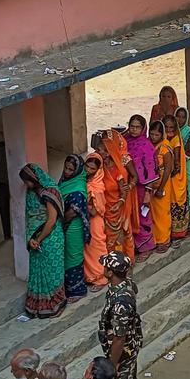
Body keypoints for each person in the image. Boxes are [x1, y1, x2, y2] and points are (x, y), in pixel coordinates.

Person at [98, 250, 143, 379]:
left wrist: (112, 363)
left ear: (110, 272)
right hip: (130, 348)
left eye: (106, 266)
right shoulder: (127, 285)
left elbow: (119, 338)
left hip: (123, 353)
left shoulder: (120, 302)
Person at [20, 163, 66, 318]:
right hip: (36, 237)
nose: (26, 185)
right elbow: (30, 217)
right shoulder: (31, 192)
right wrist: (31, 238)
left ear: (34, 178)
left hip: (51, 237)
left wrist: (38, 239)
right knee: (37, 270)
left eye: (27, 181)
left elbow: (51, 221)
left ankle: (53, 303)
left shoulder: (50, 192)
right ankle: (37, 305)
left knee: (51, 272)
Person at [94, 129, 137, 260]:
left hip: (118, 207)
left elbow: (133, 178)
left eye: (101, 149)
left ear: (108, 152)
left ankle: (124, 262)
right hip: (106, 206)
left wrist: (123, 196)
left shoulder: (121, 162)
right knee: (108, 238)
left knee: (121, 235)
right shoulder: (99, 165)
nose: (97, 151)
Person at [124, 114, 159, 257]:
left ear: (143, 128)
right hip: (128, 186)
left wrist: (148, 192)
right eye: (132, 126)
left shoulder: (147, 146)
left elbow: (152, 170)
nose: (134, 130)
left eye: (138, 127)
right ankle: (132, 245)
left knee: (142, 215)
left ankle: (146, 246)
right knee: (130, 215)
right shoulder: (125, 141)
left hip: (142, 188)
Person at [59, 154, 91, 302]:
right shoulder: (66, 181)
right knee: (66, 255)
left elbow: (71, 212)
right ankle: (67, 288)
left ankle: (77, 290)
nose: (66, 171)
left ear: (77, 171)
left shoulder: (78, 187)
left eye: (70, 169)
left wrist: (59, 222)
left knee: (73, 255)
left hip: (73, 227)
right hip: (65, 224)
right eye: (66, 168)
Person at [161, 114, 190, 241]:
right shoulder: (164, 141)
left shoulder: (175, 141)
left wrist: (166, 171)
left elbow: (177, 164)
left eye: (172, 128)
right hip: (170, 177)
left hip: (174, 178)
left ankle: (176, 232)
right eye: (166, 128)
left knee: (174, 203)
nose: (169, 131)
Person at [83, 152, 110, 290]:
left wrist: (80, 206)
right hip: (86, 221)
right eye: (87, 166)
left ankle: (101, 278)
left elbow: (94, 211)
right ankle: (90, 276)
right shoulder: (85, 181)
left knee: (96, 249)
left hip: (95, 222)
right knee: (87, 250)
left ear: (98, 170)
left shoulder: (97, 187)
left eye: (92, 169)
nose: (88, 170)